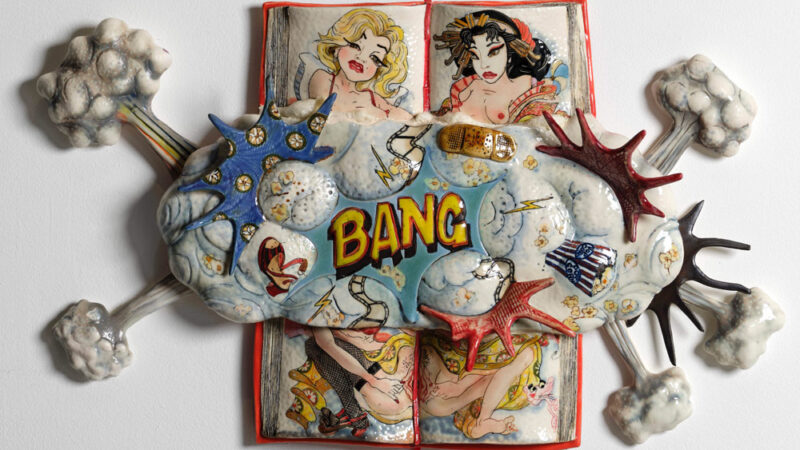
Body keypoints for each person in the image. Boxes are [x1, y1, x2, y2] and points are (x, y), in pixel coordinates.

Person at [433, 10, 566, 124]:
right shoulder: (461, 91)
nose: (484, 65)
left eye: (493, 52)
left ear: (510, 54)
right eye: (475, 55)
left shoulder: (529, 90)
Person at [419, 332, 549, 439]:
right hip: (504, 382)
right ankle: (483, 418)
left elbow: (490, 369)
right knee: (522, 356)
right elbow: (488, 370)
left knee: (521, 357)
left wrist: (459, 385)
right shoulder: (438, 404)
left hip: (507, 378)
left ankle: (483, 418)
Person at [306, 8, 412, 121]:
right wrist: (375, 113)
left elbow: (403, 116)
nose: (361, 57)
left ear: (380, 71)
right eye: (355, 46)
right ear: (337, 47)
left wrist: (385, 114)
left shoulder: (371, 97)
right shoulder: (323, 78)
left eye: (375, 58)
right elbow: (327, 111)